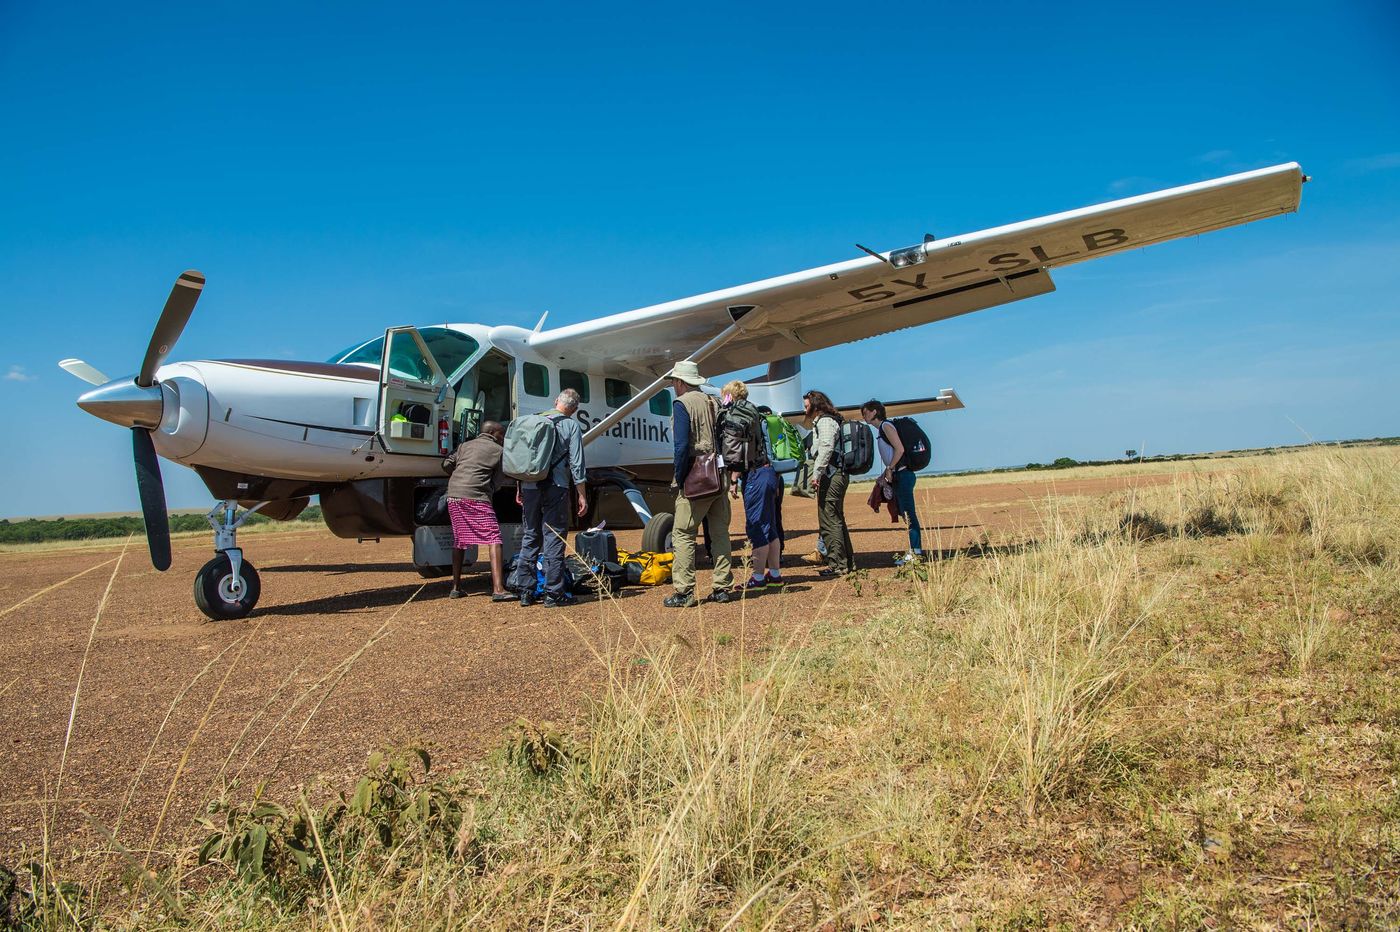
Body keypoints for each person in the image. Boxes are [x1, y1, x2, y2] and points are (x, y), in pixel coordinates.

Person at [664, 361, 734, 608]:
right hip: (719, 475)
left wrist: (679, 477)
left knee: (682, 533)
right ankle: (722, 587)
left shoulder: (682, 404)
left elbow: (681, 447)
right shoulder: (713, 402)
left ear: (681, 382)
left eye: (674, 381)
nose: (673, 385)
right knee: (719, 532)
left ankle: (684, 592)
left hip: (697, 478)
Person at [511, 388, 588, 607]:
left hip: (529, 485)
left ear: (556, 401)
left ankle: (526, 590)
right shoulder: (571, 425)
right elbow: (577, 463)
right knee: (554, 536)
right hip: (556, 485)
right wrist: (582, 494)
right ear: (574, 409)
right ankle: (554, 593)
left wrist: (519, 486)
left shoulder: (533, 420)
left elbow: (522, 458)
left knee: (530, 535)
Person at [442, 420, 515, 601]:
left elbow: (446, 464)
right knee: (494, 538)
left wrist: (461, 475)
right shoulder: (499, 451)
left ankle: (456, 587)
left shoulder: (464, 446)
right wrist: (488, 488)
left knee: (459, 539)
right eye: (502, 434)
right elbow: (499, 480)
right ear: (493, 433)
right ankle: (498, 589)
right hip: (476, 496)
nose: (504, 438)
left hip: (453, 495)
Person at [721, 381, 783, 592]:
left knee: (756, 526)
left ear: (729, 396)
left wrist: (733, 478)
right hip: (769, 472)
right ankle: (774, 574)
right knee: (770, 526)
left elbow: (737, 451)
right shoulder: (754, 410)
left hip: (756, 475)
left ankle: (757, 576)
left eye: (725, 396)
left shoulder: (737, 413)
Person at [861, 400, 924, 565]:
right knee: (905, 513)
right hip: (899, 475)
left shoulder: (886, 427)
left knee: (909, 514)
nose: (864, 416)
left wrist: (890, 467)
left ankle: (916, 552)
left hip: (903, 476)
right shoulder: (883, 429)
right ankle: (915, 551)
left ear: (874, 412)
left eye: (866, 412)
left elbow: (900, 449)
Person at [804, 390, 854, 577]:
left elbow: (825, 447)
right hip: (837, 474)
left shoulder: (825, 421)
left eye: (807, 406)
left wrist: (816, 473)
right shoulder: (832, 420)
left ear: (816, 406)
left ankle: (838, 565)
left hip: (831, 475)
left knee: (829, 519)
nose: (805, 409)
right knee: (836, 518)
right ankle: (846, 562)